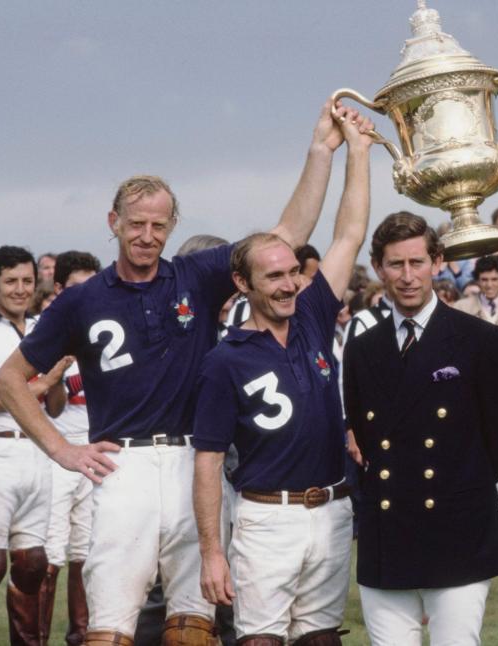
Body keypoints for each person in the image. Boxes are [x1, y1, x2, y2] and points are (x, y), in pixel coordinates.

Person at [0, 102, 351, 645]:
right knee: (110, 623)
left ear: (172, 227)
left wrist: (320, 150)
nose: (147, 235)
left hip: (191, 463)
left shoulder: (197, 275)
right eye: (136, 223)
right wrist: (61, 450)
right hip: (123, 465)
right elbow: (9, 379)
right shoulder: (81, 300)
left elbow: (286, 232)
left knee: (194, 623)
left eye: (159, 225)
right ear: (113, 223)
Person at [191, 107, 372, 645]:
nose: (289, 284)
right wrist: (211, 552)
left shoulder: (314, 315)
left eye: (293, 272)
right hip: (267, 518)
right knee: (261, 641)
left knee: (322, 640)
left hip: (333, 509)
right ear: (242, 284)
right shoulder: (226, 358)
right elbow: (208, 461)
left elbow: (350, 234)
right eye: (274, 275)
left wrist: (356, 154)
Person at [342, 212, 498, 645]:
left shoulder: (480, 340)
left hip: (458, 530)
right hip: (388, 533)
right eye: (396, 264)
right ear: (379, 267)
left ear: (437, 262)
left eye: (417, 263)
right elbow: (368, 439)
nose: (407, 276)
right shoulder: (363, 349)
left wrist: (457, 487)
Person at [0, 245, 70, 645]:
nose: (20, 290)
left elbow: (55, 406)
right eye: (10, 282)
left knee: (33, 563)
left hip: (36, 450)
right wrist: (40, 383)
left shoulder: (43, 326)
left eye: (26, 281)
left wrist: (55, 381)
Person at [37, 251, 102, 645]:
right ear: (59, 289)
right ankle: (37, 636)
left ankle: (79, 634)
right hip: (58, 451)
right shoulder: (48, 331)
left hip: (98, 450)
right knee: (51, 551)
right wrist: (60, 378)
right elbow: (54, 407)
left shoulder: (105, 328)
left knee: (87, 549)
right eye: (77, 288)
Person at [452, 254, 498, 332]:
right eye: (484, 280)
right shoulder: (461, 308)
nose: (489, 285)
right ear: (477, 281)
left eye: (494, 279)